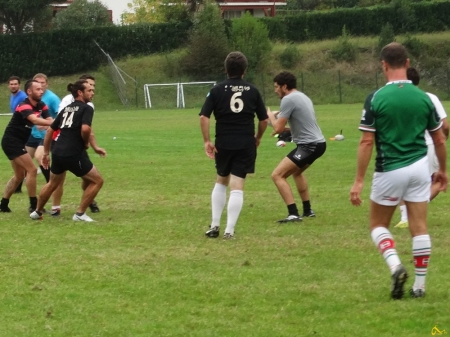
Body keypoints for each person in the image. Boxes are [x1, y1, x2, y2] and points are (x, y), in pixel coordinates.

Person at [350, 42, 447, 300]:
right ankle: (420, 287)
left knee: (378, 224)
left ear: (383, 66)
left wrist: (359, 180)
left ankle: (395, 266)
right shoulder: (424, 98)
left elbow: (367, 141)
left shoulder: (376, 97)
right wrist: (444, 171)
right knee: (420, 226)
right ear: (407, 63)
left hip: (389, 169)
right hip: (419, 168)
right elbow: (439, 139)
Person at [200, 51, 268, 239]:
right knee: (237, 185)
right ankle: (229, 231)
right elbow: (264, 120)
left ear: (226, 69)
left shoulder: (216, 90)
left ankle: (214, 226)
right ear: (244, 71)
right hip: (245, 143)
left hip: (224, 142)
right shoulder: (253, 91)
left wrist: (207, 141)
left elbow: (204, 116)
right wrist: (258, 137)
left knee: (221, 180)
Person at [30, 80, 104, 222]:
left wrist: (46, 152)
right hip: (73, 153)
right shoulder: (87, 108)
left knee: (52, 183)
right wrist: (85, 142)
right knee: (97, 181)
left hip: (57, 151)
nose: (92, 92)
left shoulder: (66, 108)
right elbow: (85, 128)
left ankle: (37, 211)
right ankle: (80, 214)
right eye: (89, 90)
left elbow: (51, 129)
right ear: (80, 93)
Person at [267, 71, 326, 223]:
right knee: (297, 173)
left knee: (277, 175)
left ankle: (293, 214)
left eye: (276, 87)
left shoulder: (288, 99)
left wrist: (270, 117)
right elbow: (296, 126)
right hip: (319, 143)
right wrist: (276, 122)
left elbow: (278, 129)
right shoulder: (302, 96)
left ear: (284, 86)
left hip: (309, 145)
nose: (275, 90)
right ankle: (308, 211)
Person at [395, 67, 449, 228]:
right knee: (438, 181)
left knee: (403, 182)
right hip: (431, 145)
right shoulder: (430, 97)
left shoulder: (398, 100)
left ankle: (406, 217)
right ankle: (419, 205)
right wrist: (443, 139)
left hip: (407, 147)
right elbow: (445, 125)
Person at [50, 74, 105, 217]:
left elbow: (88, 129)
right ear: (81, 88)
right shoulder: (69, 100)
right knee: (58, 179)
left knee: (88, 176)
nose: (92, 89)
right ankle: (59, 208)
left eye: (93, 86)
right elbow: (62, 122)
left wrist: (94, 146)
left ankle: (89, 202)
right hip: (65, 143)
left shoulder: (89, 104)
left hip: (76, 144)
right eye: (89, 86)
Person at [0, 80, 53, 212]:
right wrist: (55, 123)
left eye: (42, 89)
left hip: (19, 142)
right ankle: (33, 205)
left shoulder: (41, 105)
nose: (41, 91)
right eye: (37, 89)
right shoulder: (24, 105)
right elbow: (35, 120)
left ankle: (3, 205)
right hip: (11, 142)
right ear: (29, 91)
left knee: (19, 176)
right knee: (32, 170)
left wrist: (52, 123)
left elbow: (49, 120)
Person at [26, 73, 61, 186]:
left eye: (43, 83)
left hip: (47, 134)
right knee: (23, 160)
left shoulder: (52, 98)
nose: (40, 85)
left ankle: (50, 183)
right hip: (33, 134)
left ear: (47, 84)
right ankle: (17, 187)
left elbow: (62, 116)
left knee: (39, 156)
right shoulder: (32, 97)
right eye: (37, 83)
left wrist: (47, 125)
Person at [8, 75, 27, 194]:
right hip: (16, 131)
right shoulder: (12, 95)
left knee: (21, 159)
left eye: (15, 84)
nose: (13, 86)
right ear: (8, 85)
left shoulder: (23, 97)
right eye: (11, 84)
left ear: (19, 85)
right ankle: (18, 186)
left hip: (23, 133)